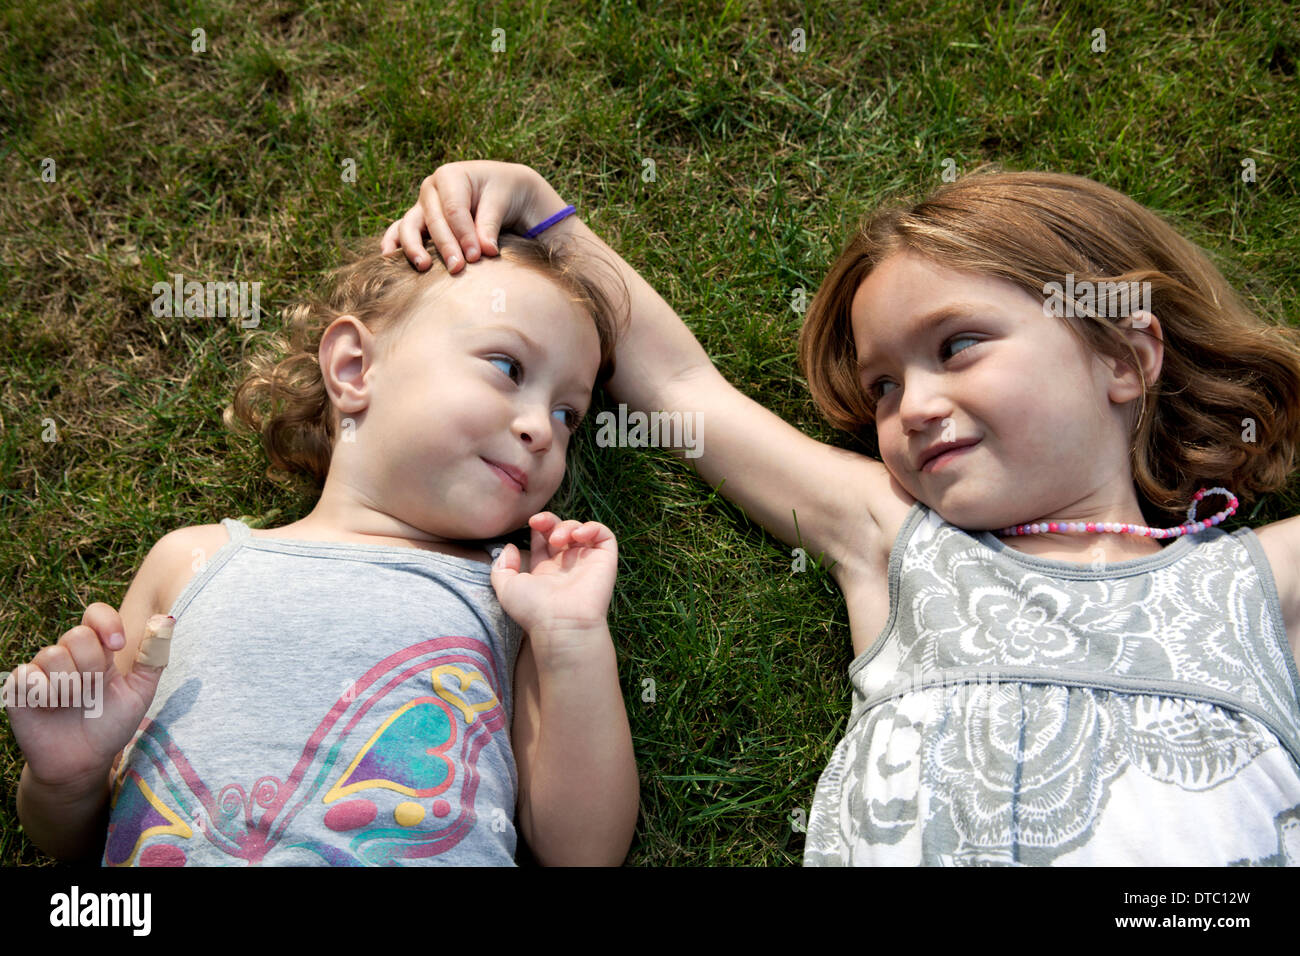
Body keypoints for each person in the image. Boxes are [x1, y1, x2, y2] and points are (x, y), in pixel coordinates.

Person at [387, 162, 1300, 865]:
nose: (916, 407)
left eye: (960, 345)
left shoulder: (1257, 586)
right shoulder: (902, 541)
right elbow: (682, 388)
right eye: (885, 387)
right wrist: (542, 211)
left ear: (1125, 359)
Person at [5, 233, 639, 866]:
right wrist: (67, 779)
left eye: (567, 416)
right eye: (508, 369)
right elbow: (81, 843)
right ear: (354, 369)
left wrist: (572, 636)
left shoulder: (518, 597)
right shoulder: (190, 561)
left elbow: (583, 852)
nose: (539, 430)